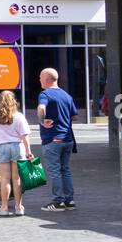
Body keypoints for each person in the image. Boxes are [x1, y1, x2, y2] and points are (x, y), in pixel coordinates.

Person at [0, 90, 33, 216]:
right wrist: (28, 151)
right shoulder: (18, 116)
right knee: (16, 179)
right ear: (13, 101)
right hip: (17, 147)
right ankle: (19, 207)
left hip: (0, 148)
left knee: (5, 179)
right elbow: (25, 136)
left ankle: (5, 208)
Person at [37, 68, 78, 211]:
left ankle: (58, 201)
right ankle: (69, 200)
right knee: (65, 170)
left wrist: (42, 121)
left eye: (41, 77)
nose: (39, 80)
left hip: (52, 138)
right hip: (67, 139)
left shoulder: (45, 94)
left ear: (47, 79)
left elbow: (41, 108)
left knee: (54, 170)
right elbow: (74, 116)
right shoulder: (67, 96)